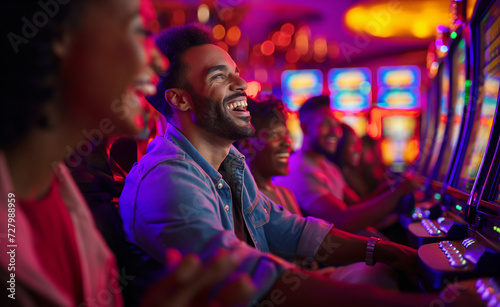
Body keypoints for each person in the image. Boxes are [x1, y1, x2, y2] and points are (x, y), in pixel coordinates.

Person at [119, 23, 481, 306]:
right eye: (219, 77)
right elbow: (245, 276)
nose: (242, 84)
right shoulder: (167, 180)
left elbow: (283, 228)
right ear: (180, 99)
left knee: (383, 269)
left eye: (235, 72)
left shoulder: (229, 162)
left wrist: (382, 250)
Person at [0, 0, 254, 306]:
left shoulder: (59, 194)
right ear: (61, 39)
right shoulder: (164, 176)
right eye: (141, 31)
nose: (161, 64)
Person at [274, 96, 416, 234]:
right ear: (304, 129)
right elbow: (342, 221)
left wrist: (388, 189)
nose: (335, 131)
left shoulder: (329, 167)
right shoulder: (298, 170)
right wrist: (397, 193)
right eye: (325, 124)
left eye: (336, 124)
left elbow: (357, 205)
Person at [235, 97, 302, 216]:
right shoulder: (240, 199)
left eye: (286, 134)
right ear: (246, 144)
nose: (286, 142)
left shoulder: (286, 194)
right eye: (274, 135)